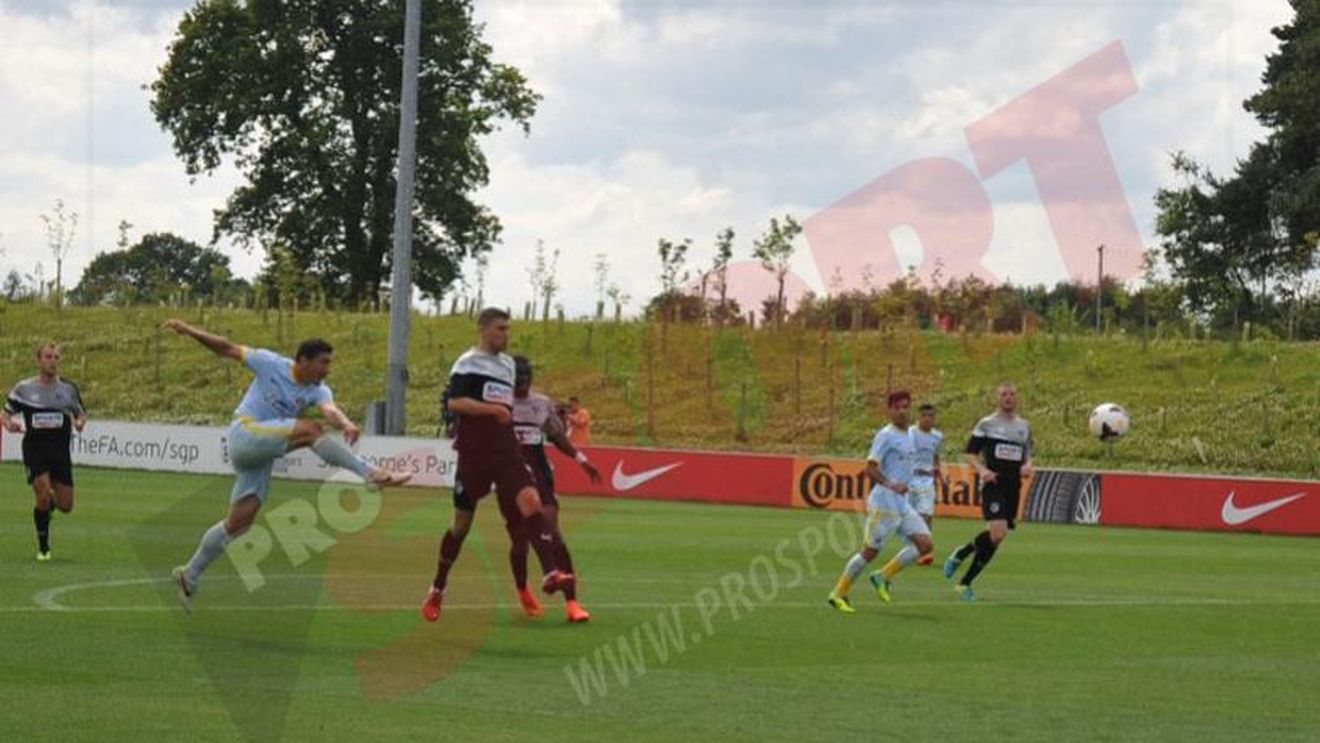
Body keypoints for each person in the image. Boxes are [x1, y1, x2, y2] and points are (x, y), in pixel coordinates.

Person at [164, 320, 411, 611]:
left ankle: (190, 575)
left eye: (329, 363)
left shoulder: (318, 389)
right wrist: (190, 330)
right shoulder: (270, 363)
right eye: (323, 362)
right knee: (311, 430)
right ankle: (371, 475)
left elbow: (329, 409)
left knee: (239, 523)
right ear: (303, 360)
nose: (327, 369)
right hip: (245, 433)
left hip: (262, 451)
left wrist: (345, 423)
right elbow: (227, 347)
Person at [421, 308, 572, 623]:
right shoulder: (467, 363)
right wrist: (491, 410)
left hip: (505, 449)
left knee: (532, 501)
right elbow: (455, 402)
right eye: (501, 329)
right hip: (475, 453)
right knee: (461, 526)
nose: (507, 334)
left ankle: (550, 573)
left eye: (508, 329)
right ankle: (437, 588)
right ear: (484, 330)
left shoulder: (507, 365)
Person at [509, 355, 601, 622]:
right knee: (520, 542)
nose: (523, 384)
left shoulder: (541, 403)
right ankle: (523, 589)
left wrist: (582, 460)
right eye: (518, 379)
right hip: (512, 479)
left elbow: (557, 436)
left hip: (540, 477)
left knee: (552, 533)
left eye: (527, 378)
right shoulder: (500, 405)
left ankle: (572, 603)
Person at [827, 391, 934, 614]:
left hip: (902, 504)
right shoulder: (885, 435)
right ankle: (838, 594)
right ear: (890, 410)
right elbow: (870, 468)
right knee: (870, 552)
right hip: (884, 503)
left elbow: (905, 465)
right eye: (898, 407)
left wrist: (926, 471)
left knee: (925, 545)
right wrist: (891, 484)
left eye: (906, 406)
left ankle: (882, 576)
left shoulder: (910, 435)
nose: (903, 411)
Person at [943, 382, 1034, 602]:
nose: (1009, 398)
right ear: (997, 398)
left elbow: (1028, 454)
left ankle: (964, 584)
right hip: (993, 486)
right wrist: (982, 470)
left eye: (1012, 394)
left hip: (1014, 486)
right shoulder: (987, 424)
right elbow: (970, 453)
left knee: (996, 539)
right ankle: (961, 553)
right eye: (1004, 394)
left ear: (1017, 397)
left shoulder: (1024, 426)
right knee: (997, 533)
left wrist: (1028, 466)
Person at [2, 342, 87, 561]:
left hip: (60, 453)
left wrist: (79, 422)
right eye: (48, 357)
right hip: (35, 450)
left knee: (66, 505)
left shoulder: (68, 389)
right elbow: (5, 413)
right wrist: (9, 424)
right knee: (42, 493)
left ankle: (49, 505)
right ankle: (43, 547)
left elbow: (80, 413)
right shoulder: (24, 389)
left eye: (56, 357)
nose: (52, 361)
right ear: (38, 360)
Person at [907, 403, 946, 536]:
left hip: (927, 480)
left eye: (930, 416)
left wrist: (940, 475)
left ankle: (925, 551)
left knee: (926, 516)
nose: (927, 419)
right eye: (924, 416)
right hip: (910, 478)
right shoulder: (910, 432)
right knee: (908, 519)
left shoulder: (937, 436)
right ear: (918, 417)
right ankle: (918, 547)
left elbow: (935, 457)